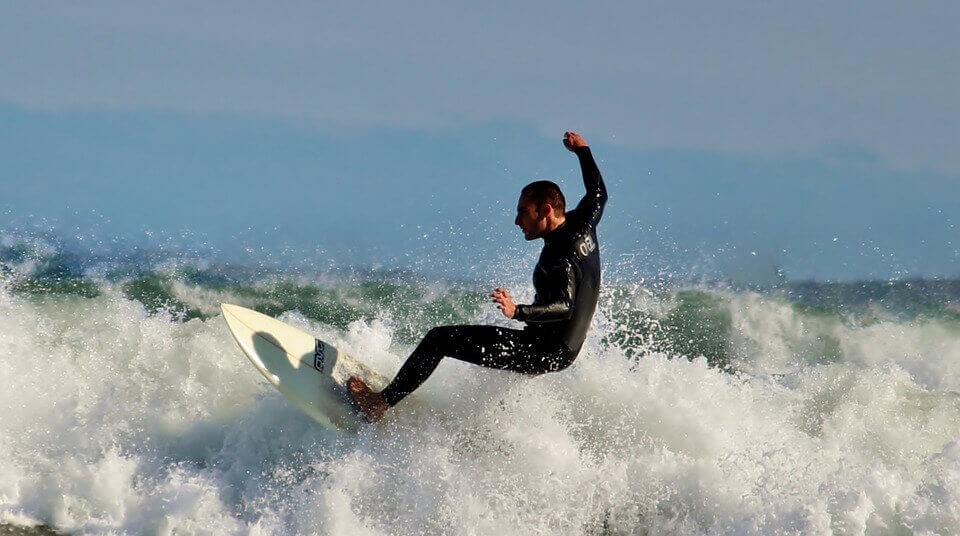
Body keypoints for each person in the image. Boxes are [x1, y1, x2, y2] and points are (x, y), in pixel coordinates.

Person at [348, 131, 608, 422]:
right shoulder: (584, 223)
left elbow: (564, 305)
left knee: (439, 340)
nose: (517, 221)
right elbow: (598, 191)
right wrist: (582, 151)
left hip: (544, 350)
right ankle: (484, 437)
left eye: (524, 212)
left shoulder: (557, 255)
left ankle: (379, 404)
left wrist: (517, 311)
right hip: (561, 350)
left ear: (546, 210)